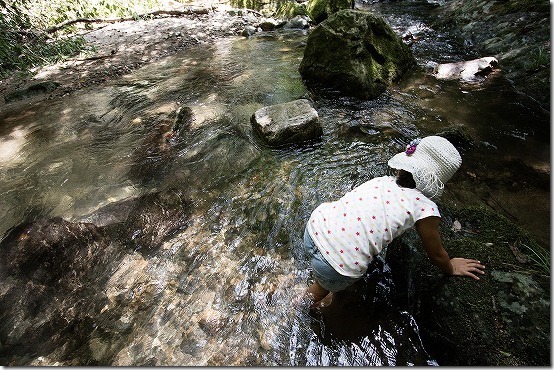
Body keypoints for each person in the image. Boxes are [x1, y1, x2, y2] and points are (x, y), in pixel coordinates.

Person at [304, 135, 486, 308]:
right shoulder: (426, 208)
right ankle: (298, 304)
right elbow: (436, 254)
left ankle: (320, 275)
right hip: (335, 265)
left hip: (314, 229)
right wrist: (451, 267)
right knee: (319, 291)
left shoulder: (383, 181)